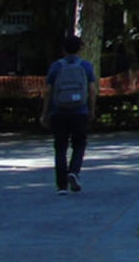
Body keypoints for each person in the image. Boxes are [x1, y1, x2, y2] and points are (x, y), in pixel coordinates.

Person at [42, 35, 97, 195]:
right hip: (80, 111)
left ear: (63, 49)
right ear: (80, 48)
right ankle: (74, 171)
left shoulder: (56, 66)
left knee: (60, 147)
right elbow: (92, 90)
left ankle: (61, 186)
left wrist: (45, 113)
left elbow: (48, 91)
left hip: (58, 112)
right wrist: (91, 110)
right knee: (79, 144)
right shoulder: (85, 66)